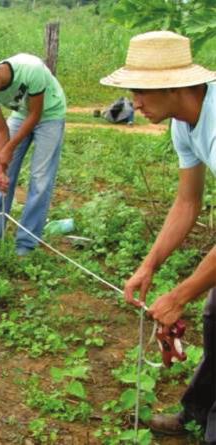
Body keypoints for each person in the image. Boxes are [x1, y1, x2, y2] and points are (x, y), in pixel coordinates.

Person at [102, 30, 216, 441]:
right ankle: (198, 414)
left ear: (176, 86)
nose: (134, 103)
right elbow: (187, 203)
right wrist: (148, 267)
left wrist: (179, 295)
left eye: (142, 91)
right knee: (214, 314)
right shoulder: (184, 124)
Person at [0, 54, 66, 255]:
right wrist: (1, 168)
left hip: (50, 114)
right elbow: (0, 130)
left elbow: (36, 115)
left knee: (40, 179)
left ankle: (26, 243)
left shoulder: (31, 69)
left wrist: (10, 148)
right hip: (21, 114)